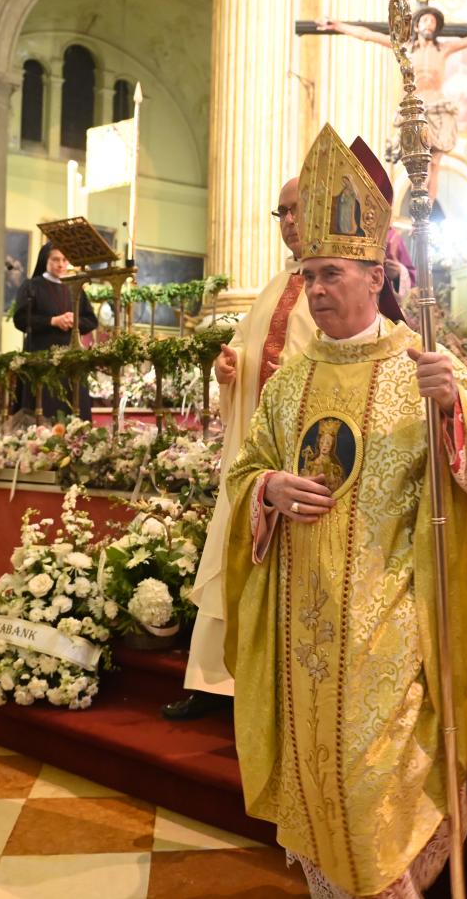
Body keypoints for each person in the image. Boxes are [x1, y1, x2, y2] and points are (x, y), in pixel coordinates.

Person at [223, 123, 467, 899]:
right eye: (307, 274)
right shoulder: (287, 383)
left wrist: (457, 419)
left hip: (395, 626)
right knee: (319, 774)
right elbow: (243, 473)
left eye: (330, 273)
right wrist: (267, 489)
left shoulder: (425, 367)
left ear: (374, 275)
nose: (313, 290)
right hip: (302, 631)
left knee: (375, 782)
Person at [163, 176, 318, 722]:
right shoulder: (275, 287)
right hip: (251, 461)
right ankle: (211, 683)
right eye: (282, 213)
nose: (290, 222)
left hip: (299, 466)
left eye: (297, 210)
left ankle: (267, 693)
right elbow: (246, 355)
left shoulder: (333, 286)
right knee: (227, 560)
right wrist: (227, 372)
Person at [318, 7, 467, 198]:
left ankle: (429, 207)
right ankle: (411, 199)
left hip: (437, 105)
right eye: (425, 20)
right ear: (416, 25)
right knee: (417, 160)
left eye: (433, 22)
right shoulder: (404, 47)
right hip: (415, 106)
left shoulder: (443, 49)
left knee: (436, 162)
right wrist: (337, 25)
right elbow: (368, 36)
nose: (430, 24)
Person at [12, 242, 99, 418]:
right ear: (46, 260)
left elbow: (91, 320)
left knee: (73, 409)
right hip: (42, 358)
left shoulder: (76, 287)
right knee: (43, 408)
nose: (61, 264)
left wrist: (74, 321)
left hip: (71, 360)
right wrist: (52, 321)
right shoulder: (31, 286)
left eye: (65, 260)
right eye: (56, 259)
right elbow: (20, 319)